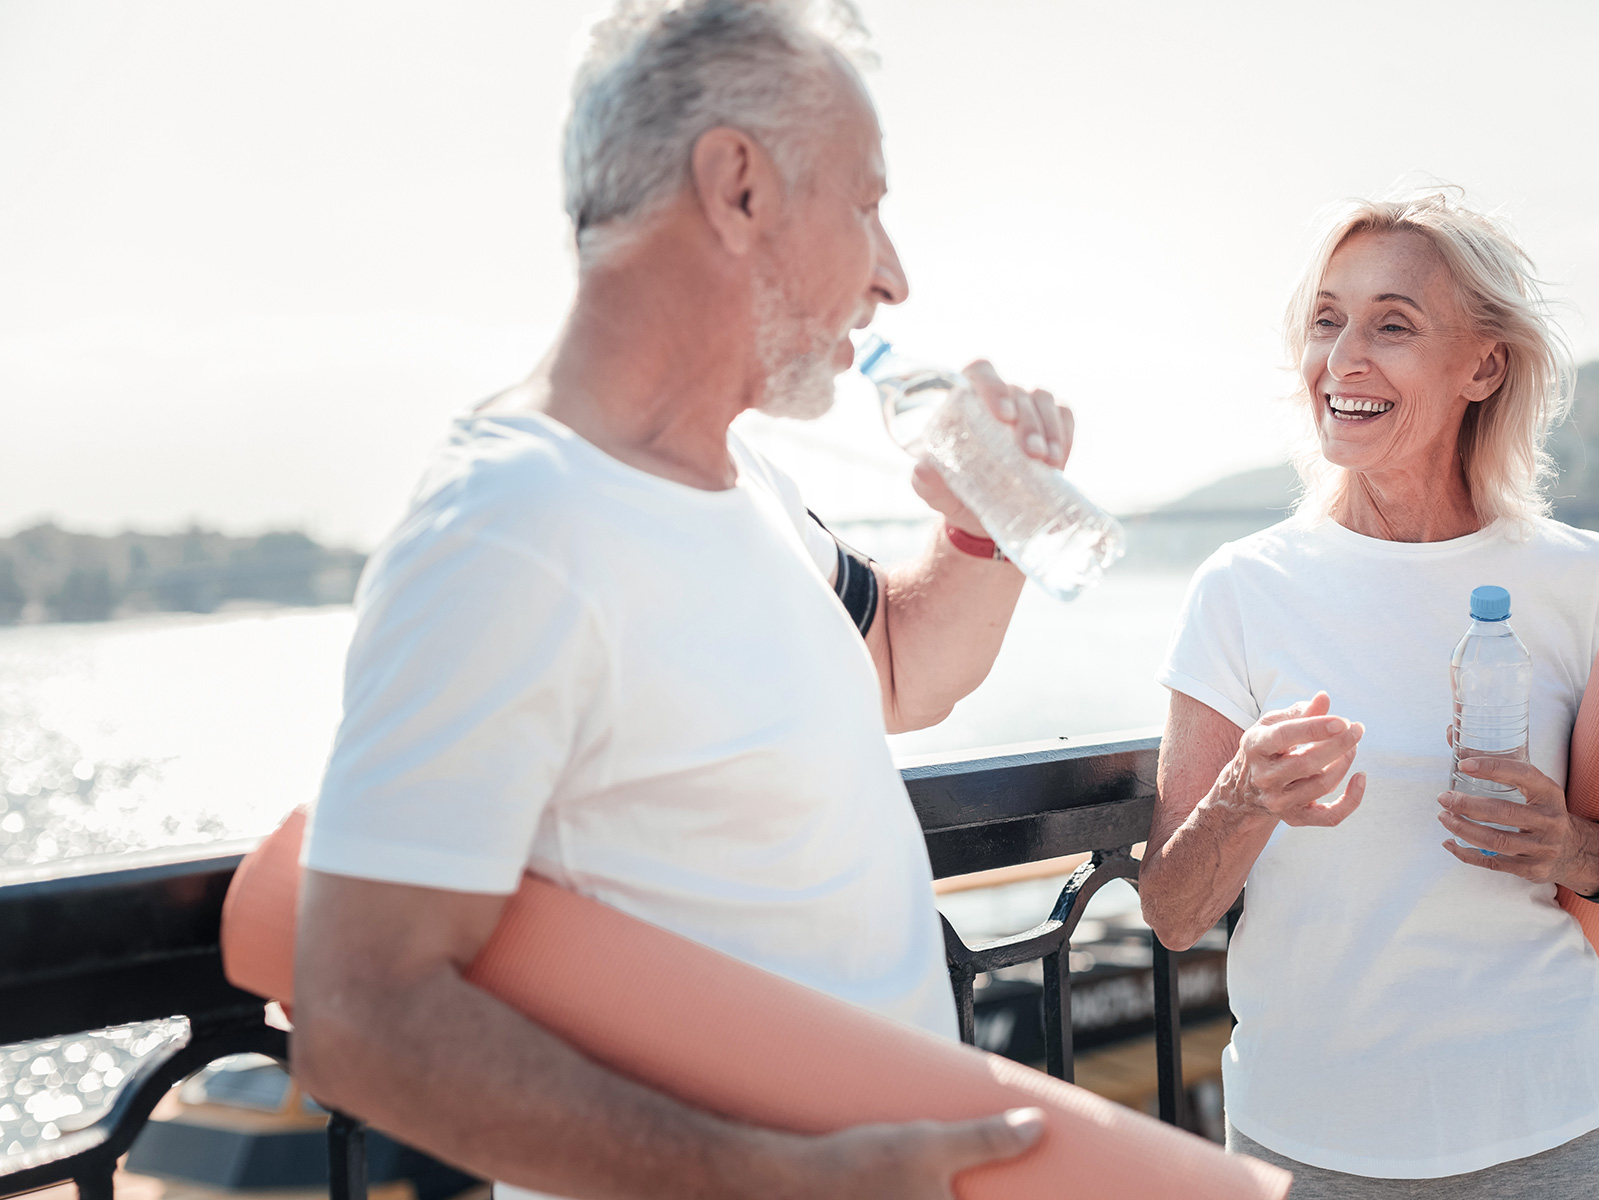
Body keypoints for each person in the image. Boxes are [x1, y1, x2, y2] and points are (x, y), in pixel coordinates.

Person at [288, 3, 1075, 1197]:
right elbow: (364, 1017)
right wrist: (776, 1179)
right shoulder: (510, 526)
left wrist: (989, 524)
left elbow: (901, 670)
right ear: (740, 188)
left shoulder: (739, 475)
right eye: (866, 202)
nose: (893, 275)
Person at [1136, 189, 1599, 1199]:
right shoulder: (1241, 589)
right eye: (1326, 320)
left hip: (1557, 1136)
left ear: (1484, 366)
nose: (1345, 357)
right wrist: (1242, 797)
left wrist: (1579, 849)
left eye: (1393, 325)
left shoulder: (1583, 582)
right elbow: (1172, 912)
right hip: (1308, 1151)